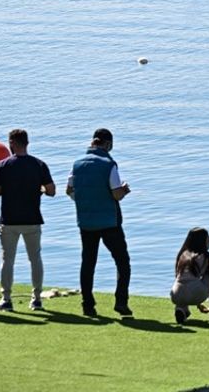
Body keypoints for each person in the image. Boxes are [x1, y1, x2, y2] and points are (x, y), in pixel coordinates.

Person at [66, 127, 132, 317]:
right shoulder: (109, 164)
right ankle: (121, 302)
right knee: (122, 262)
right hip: (109, 222)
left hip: (86, 221)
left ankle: (88, 304)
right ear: (108, 144)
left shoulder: (77, 164)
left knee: (88, 263)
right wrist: (125, 189)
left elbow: (70, 191)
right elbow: (116, 194)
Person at [0, 128, 55, 312]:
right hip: (32, 219)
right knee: (35, 259)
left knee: (7, 260)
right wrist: (38, 189)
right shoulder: (39, 164)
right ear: (27, 143)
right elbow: (51, 190)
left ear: (11, 143)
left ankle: (7, 299)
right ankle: (36, 299)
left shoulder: (3, 165)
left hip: (9, 219)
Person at [170, 227, 209, 325]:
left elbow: (186, 280)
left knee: (183, 282)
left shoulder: (182, 256)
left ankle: (181, 309)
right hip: (196, 293)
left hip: (175, 295)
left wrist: (198, 304)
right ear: (202, 241)